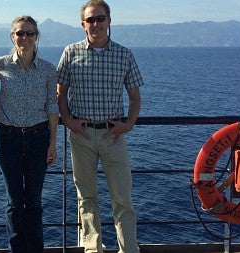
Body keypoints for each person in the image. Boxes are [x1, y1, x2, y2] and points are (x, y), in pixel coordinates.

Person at [56, 1, 144, 252]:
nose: (96, 24)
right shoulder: (71, 53)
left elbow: (135, 97)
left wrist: (128, 125)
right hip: (81, 136)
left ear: (109, 21)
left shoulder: (124, 54)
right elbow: (60, 94)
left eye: (100, 18)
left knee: (123, 199)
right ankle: (93, 248)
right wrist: (69, 121)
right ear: (83, 24)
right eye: (91, 20)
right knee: (86, 197)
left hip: (113, 135)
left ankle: (128, 249)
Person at [0, 15, 59, 253]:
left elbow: (52, 106)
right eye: (20, 33)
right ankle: (17, 250)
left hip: (39, 139)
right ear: (12, 36)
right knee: (15, 201)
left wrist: (53, 143)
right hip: (8, 138)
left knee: (35, 201)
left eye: (30, 33)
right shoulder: (1, 64)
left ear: (37, 36)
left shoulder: (48, 70)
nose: (25, 38)